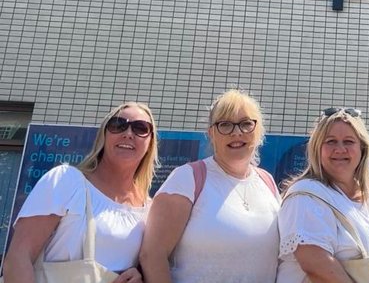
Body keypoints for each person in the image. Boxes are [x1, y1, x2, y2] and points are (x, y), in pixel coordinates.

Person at [3, 102, 158, 282]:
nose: (128, 133)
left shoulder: (150, 210)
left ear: (150, 142)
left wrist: (140, 275)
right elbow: (18, 258)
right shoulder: (66, 181)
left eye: (140, 128)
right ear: (104, 135)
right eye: (118, 125)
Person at [139, 90, 280, 282]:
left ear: (258, 131)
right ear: (211, 133)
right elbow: (153, 255)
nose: (236, 132)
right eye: (225, 125)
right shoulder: (187, 179)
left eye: (246, 124)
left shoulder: (267, 182)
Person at [277, 107, 369, 283]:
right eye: (331, 141)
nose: (340, 149)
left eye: (349, 141)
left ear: (362, 149)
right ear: (317, 149)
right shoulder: (306, 195)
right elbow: (316, 265)